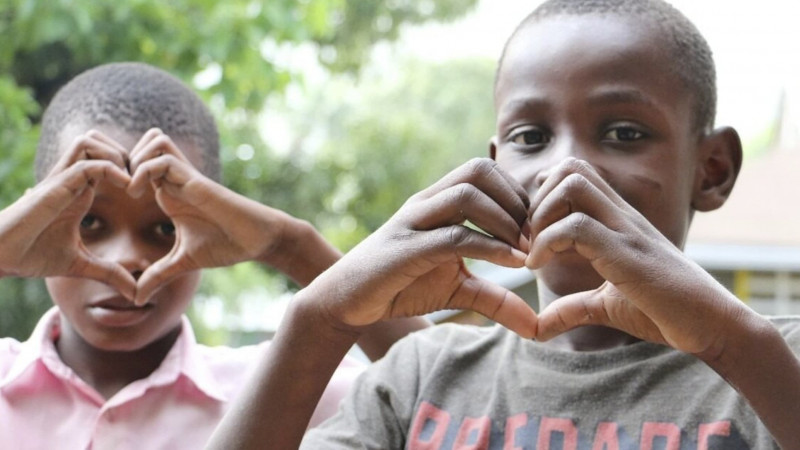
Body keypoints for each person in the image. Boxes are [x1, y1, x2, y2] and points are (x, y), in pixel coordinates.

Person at [206, 0, 800, 448]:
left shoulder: (773, 361)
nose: (564, 170)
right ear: (491, 169)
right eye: (530, 138)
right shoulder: (420, 375)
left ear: (712, 169)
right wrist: (317, 320)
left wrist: (734, 345)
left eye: (624, 133)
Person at [0, 62, 427, 449]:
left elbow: (454, 391)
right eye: (90, 222)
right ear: (32, 219)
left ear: (216, 225)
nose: (126, 258)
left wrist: (290, 246)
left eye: (166, 227)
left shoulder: (285, 387)